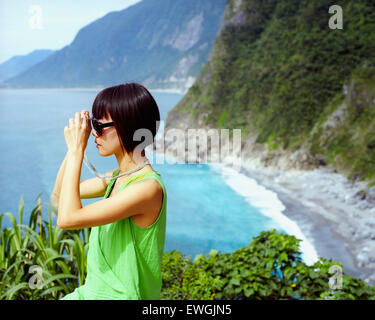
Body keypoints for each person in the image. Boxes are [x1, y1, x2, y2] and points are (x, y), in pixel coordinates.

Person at [50, 83, 167, 300]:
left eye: (100, 126)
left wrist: (77, 151)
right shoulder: (115, 178)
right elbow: (58, 196)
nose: (94, 132)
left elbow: (67, 218)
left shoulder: (147, 189)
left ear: (126, 126)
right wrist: (75, 148)